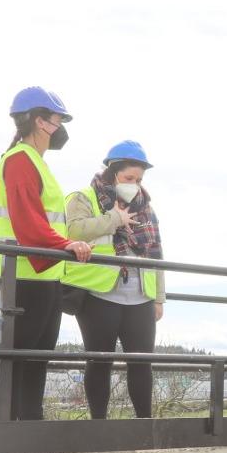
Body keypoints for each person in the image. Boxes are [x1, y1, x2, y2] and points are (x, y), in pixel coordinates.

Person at [0, 87, 92, 420]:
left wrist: (62, 248)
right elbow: (26, 219)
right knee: (18, 354)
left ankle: (30, 422)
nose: (61, 126)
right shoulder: (19, 159)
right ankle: (7, 424)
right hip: (23, 273)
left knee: (37, 355)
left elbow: (41, 219)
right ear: (38, 121)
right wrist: (65, 245)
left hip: (44, 273)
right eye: (58, 119)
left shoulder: (36, 162)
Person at [63, 140, 166, 419]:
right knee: (99, 362)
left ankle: (145, 424)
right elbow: (73, 230)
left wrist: (158, 297)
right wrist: (114, 219)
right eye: (128, 178)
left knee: (142, 363)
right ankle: (99, 425)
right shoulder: (84, 197)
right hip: (99, 294)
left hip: (140, 296)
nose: (135, 184)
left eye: (139, 179)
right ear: (112, 172)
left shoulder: (146, 208)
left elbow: (156, 254)